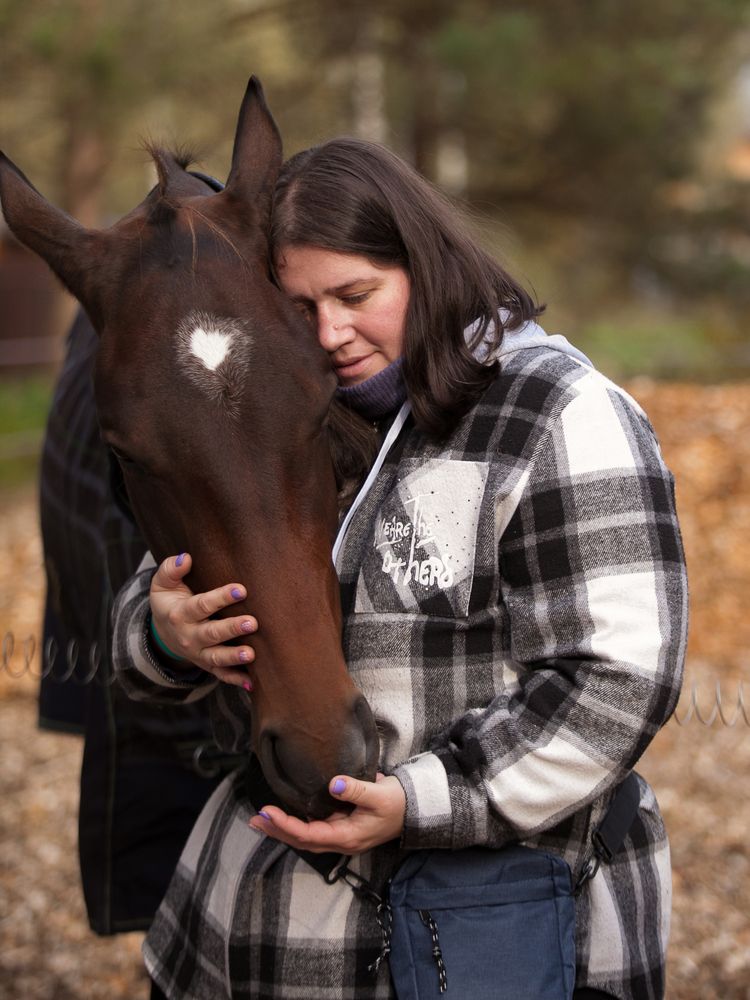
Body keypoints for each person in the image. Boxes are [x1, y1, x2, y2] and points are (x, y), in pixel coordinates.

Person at [113, 137, 687, 1000]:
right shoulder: (282, 408)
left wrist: (428, 800)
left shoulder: (557, 413)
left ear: (424, 262)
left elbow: (619, 680)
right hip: (254, 927)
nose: (329, 334)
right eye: (297, 305)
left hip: (490, 927)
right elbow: (151, 590)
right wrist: (162, 631)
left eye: (355, 295)